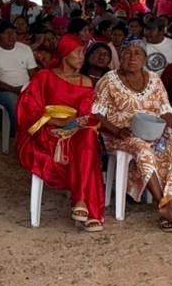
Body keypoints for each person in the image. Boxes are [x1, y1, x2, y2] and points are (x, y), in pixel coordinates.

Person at [94, 41, 172, 231]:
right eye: (127, 53)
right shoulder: (109, 80)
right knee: (143, 149)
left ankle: (170, 202)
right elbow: (96, 113)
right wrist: (116, 130)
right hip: (120, 134)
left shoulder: (154, 79)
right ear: (119, 57)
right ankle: (162, 206)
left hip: (154, 132)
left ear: (145, 58)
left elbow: (166, 109)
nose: (132, 57)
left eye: (137, 53)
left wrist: (164, 129)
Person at [16, 34, 106, 229]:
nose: (82, 57)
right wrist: (53, 120)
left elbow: (86, 113)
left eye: (83, 53)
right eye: (78, 53)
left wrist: (76, 124)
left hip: (74, 130)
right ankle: (88, 208)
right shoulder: (45, 76)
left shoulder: (86, 82)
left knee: (88, 135)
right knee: (87, 150)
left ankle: (81, 201)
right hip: (47, 131)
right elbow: (29, 106)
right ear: (65, 54)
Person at [0, 19, 38, 137]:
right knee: (13, 101)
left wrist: (30, 89)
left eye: (13, 33)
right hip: (4, 91)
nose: (11, 36)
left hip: (27, 89)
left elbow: (33, 74)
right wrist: (17, 90)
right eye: (7, 33)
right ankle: (22, 134)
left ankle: (37, 131)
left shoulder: (25, 49)